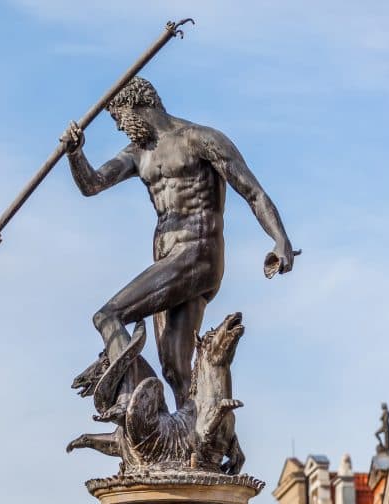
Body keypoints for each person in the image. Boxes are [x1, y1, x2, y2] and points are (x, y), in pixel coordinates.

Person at [61, 76, 295, 410]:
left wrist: (280, 239)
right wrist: (75, 154)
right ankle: (194, 440)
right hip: (168, 260)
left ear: (137, 104)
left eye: (118, 118)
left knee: (108, 315)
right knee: (174, 368)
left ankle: (139, 407)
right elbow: (92, 184)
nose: (118, 129)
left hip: (198, 252)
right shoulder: (138, 154)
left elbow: (252, 191)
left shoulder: (200, 139)